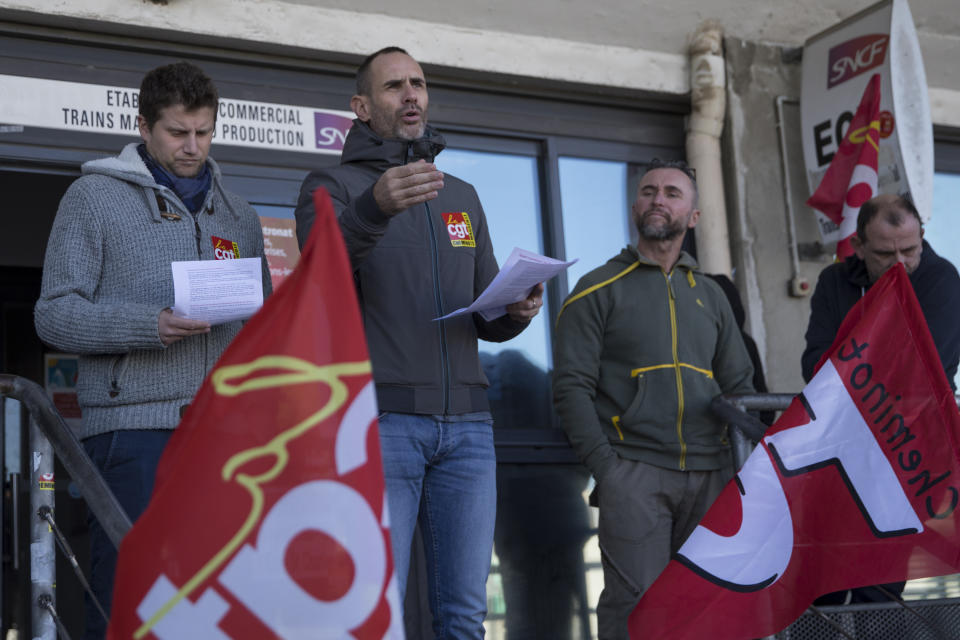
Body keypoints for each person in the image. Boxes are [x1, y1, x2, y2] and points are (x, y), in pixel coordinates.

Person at [294, 46, 542, 638]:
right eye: (393, 86)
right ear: (361, 106)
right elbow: (315, 277)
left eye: (419, 83)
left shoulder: (461, 194)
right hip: (383, 424)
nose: (411, 95)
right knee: (376, 607)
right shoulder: (330, 185)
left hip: (470, 430)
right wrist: (372, 211)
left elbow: (483, 313)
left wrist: (515, 311)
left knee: (466, 615)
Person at [34, 61, 271, 639]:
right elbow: (53, 314)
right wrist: (152, 325)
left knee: (215, 604)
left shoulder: (239, 216)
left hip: (222, 437)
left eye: (204, 132)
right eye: (177, 132)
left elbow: (260, 326)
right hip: (131, 432)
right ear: (142, 126)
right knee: (134, 601)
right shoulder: (91, 198)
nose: (193, 147)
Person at [552, 159, 754, 640]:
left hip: (711, 474)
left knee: (706, 610)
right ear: (635, 205)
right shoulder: (596, 290)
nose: (657, 200)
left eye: (671, 192)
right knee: (636, 614)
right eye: (647, 191)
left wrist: (736, 465)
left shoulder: (711, 295)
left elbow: (741, 385)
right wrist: (609, 469)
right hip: (634, 473)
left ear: (694, 215)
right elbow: (570, 387)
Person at [803, 193, 960, 605]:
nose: (901, 263)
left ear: (922, 238)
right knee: (824, 583)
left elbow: (923, 375)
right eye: (885, 253)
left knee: (880, 584)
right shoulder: (834, 282)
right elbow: (814, 366)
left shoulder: (941, 279)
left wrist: (851, 368)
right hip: (841, 453)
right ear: (857, 247)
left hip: (908, 454)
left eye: (910, 250)